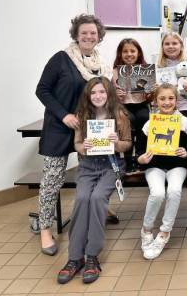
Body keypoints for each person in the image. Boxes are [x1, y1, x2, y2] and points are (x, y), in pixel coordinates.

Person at [35, 14, 111, 255]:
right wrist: (63, 114)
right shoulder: (61, 59)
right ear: (76, 35)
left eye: (93, 33)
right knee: (53, 180)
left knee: (92, 172)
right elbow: (42, 89)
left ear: (99, 36)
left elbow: (100, 92)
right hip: (60, 127)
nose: (89, 36)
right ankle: (45, 228)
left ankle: (96, 209)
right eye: (84, 32)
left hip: (88, 127)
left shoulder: (100, 63)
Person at [56, 77, 131, 284]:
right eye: (94, 93)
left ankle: (92, 256)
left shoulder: (120, 115)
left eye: (102, 92)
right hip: (88, 166)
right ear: (88, 96)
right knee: (81, 199)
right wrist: (84, 147)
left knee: (97, 199)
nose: (98, 96)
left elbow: (127, 144)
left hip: (111, 165)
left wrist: (117, 144)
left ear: (109, 94)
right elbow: (77, 144)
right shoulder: (82, 116)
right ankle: (74, 258)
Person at [136, 84, 187, 260]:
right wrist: (141, 159)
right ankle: (146, 229)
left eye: (171, 98)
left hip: (177, 166)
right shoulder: (149, 124)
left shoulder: (184, 121)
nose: (167, 102)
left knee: (174, 190)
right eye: (162, 98)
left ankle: (164, 232)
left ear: (176, 101)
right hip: (155, 166)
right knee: (158, 193)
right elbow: (139, 152)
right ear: (155, 101)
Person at [112, 38, 151, 174]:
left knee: (144, 118)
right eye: (125, 51)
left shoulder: (145, 70)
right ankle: (128, 159)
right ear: (120, 54)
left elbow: (150, 97)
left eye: (132, 51)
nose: (129, 54)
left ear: (138, 53)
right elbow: (112, 93)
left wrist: (149, 92)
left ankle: (140, 156)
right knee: (127, 121)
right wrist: (116, 93)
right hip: (124, 106)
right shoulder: (116, 71)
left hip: (141, 104)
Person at [157, 31, 187, 146]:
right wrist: (155, 89)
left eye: (174, 43)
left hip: (186, 106)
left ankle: (184, 155)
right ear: (162, 47)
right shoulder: (158, 67)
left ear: (181, 46)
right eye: (167, 44)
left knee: (183, 122)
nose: (171, 46)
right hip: (163, 106)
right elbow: (152, 96)